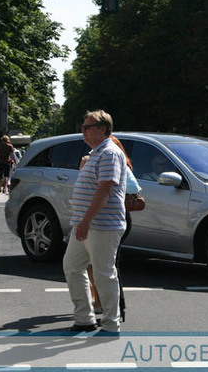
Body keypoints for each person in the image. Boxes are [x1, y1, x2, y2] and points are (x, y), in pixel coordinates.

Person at [62, 110, 127, 334]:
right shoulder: (96, 153)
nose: (84, 130)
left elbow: (105, 190)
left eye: (88, 127)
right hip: (85, 224)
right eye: (83, 126)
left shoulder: (109, 153)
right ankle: (84, 318)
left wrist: (86, 220)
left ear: (103, 129)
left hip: (102, 225)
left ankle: (111, 323)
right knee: (72, 266)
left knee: (103, 272)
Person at [85, 135, 141, 319]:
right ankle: (108, 306)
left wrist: (112, 186)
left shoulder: (116, 162)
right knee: (104, 266)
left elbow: (133, 187)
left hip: (115, 218)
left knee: (108, 267)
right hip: (106, 219)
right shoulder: (99, 160)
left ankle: (115, 309)